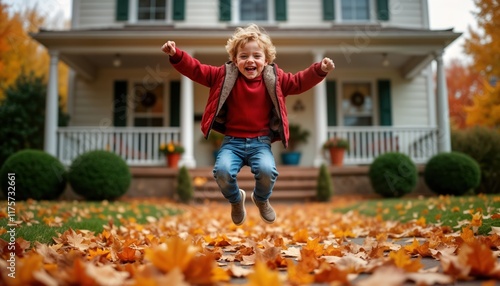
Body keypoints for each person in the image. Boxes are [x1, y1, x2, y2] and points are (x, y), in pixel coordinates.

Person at [161, 24, 335, 225]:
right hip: (231, 142)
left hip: (260, 143)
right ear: (235, 60)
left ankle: (261, 199)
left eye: (256, 56)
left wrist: (319, 69)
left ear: (266, 60)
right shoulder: (223, 76)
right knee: (222, 172)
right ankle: (236, 200)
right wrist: (176, 55)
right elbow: (197, 70)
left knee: (267, 171)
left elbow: (298, 82)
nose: (250, 60)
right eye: (243, 56)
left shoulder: (275, 79)